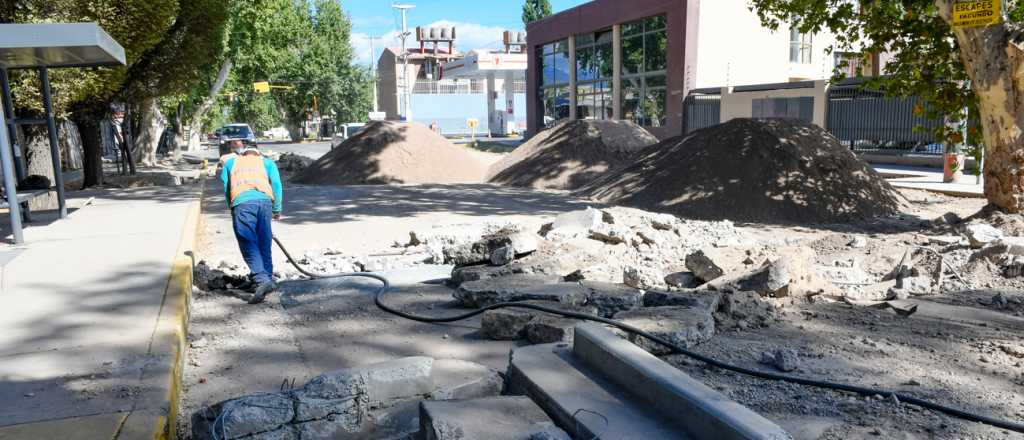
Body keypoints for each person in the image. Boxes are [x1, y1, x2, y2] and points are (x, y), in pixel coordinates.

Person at [221, 141, 283, 304]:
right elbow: (276, 184)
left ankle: (261, 279)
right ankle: (266, 280)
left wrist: (231, 205)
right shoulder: (267, 162)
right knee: (264, 241)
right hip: (265, 203)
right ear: (258, 152)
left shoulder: (231, 163)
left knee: (248, 241)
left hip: (242, 202)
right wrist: (277, 208)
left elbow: (226, 186)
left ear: (243, 153)